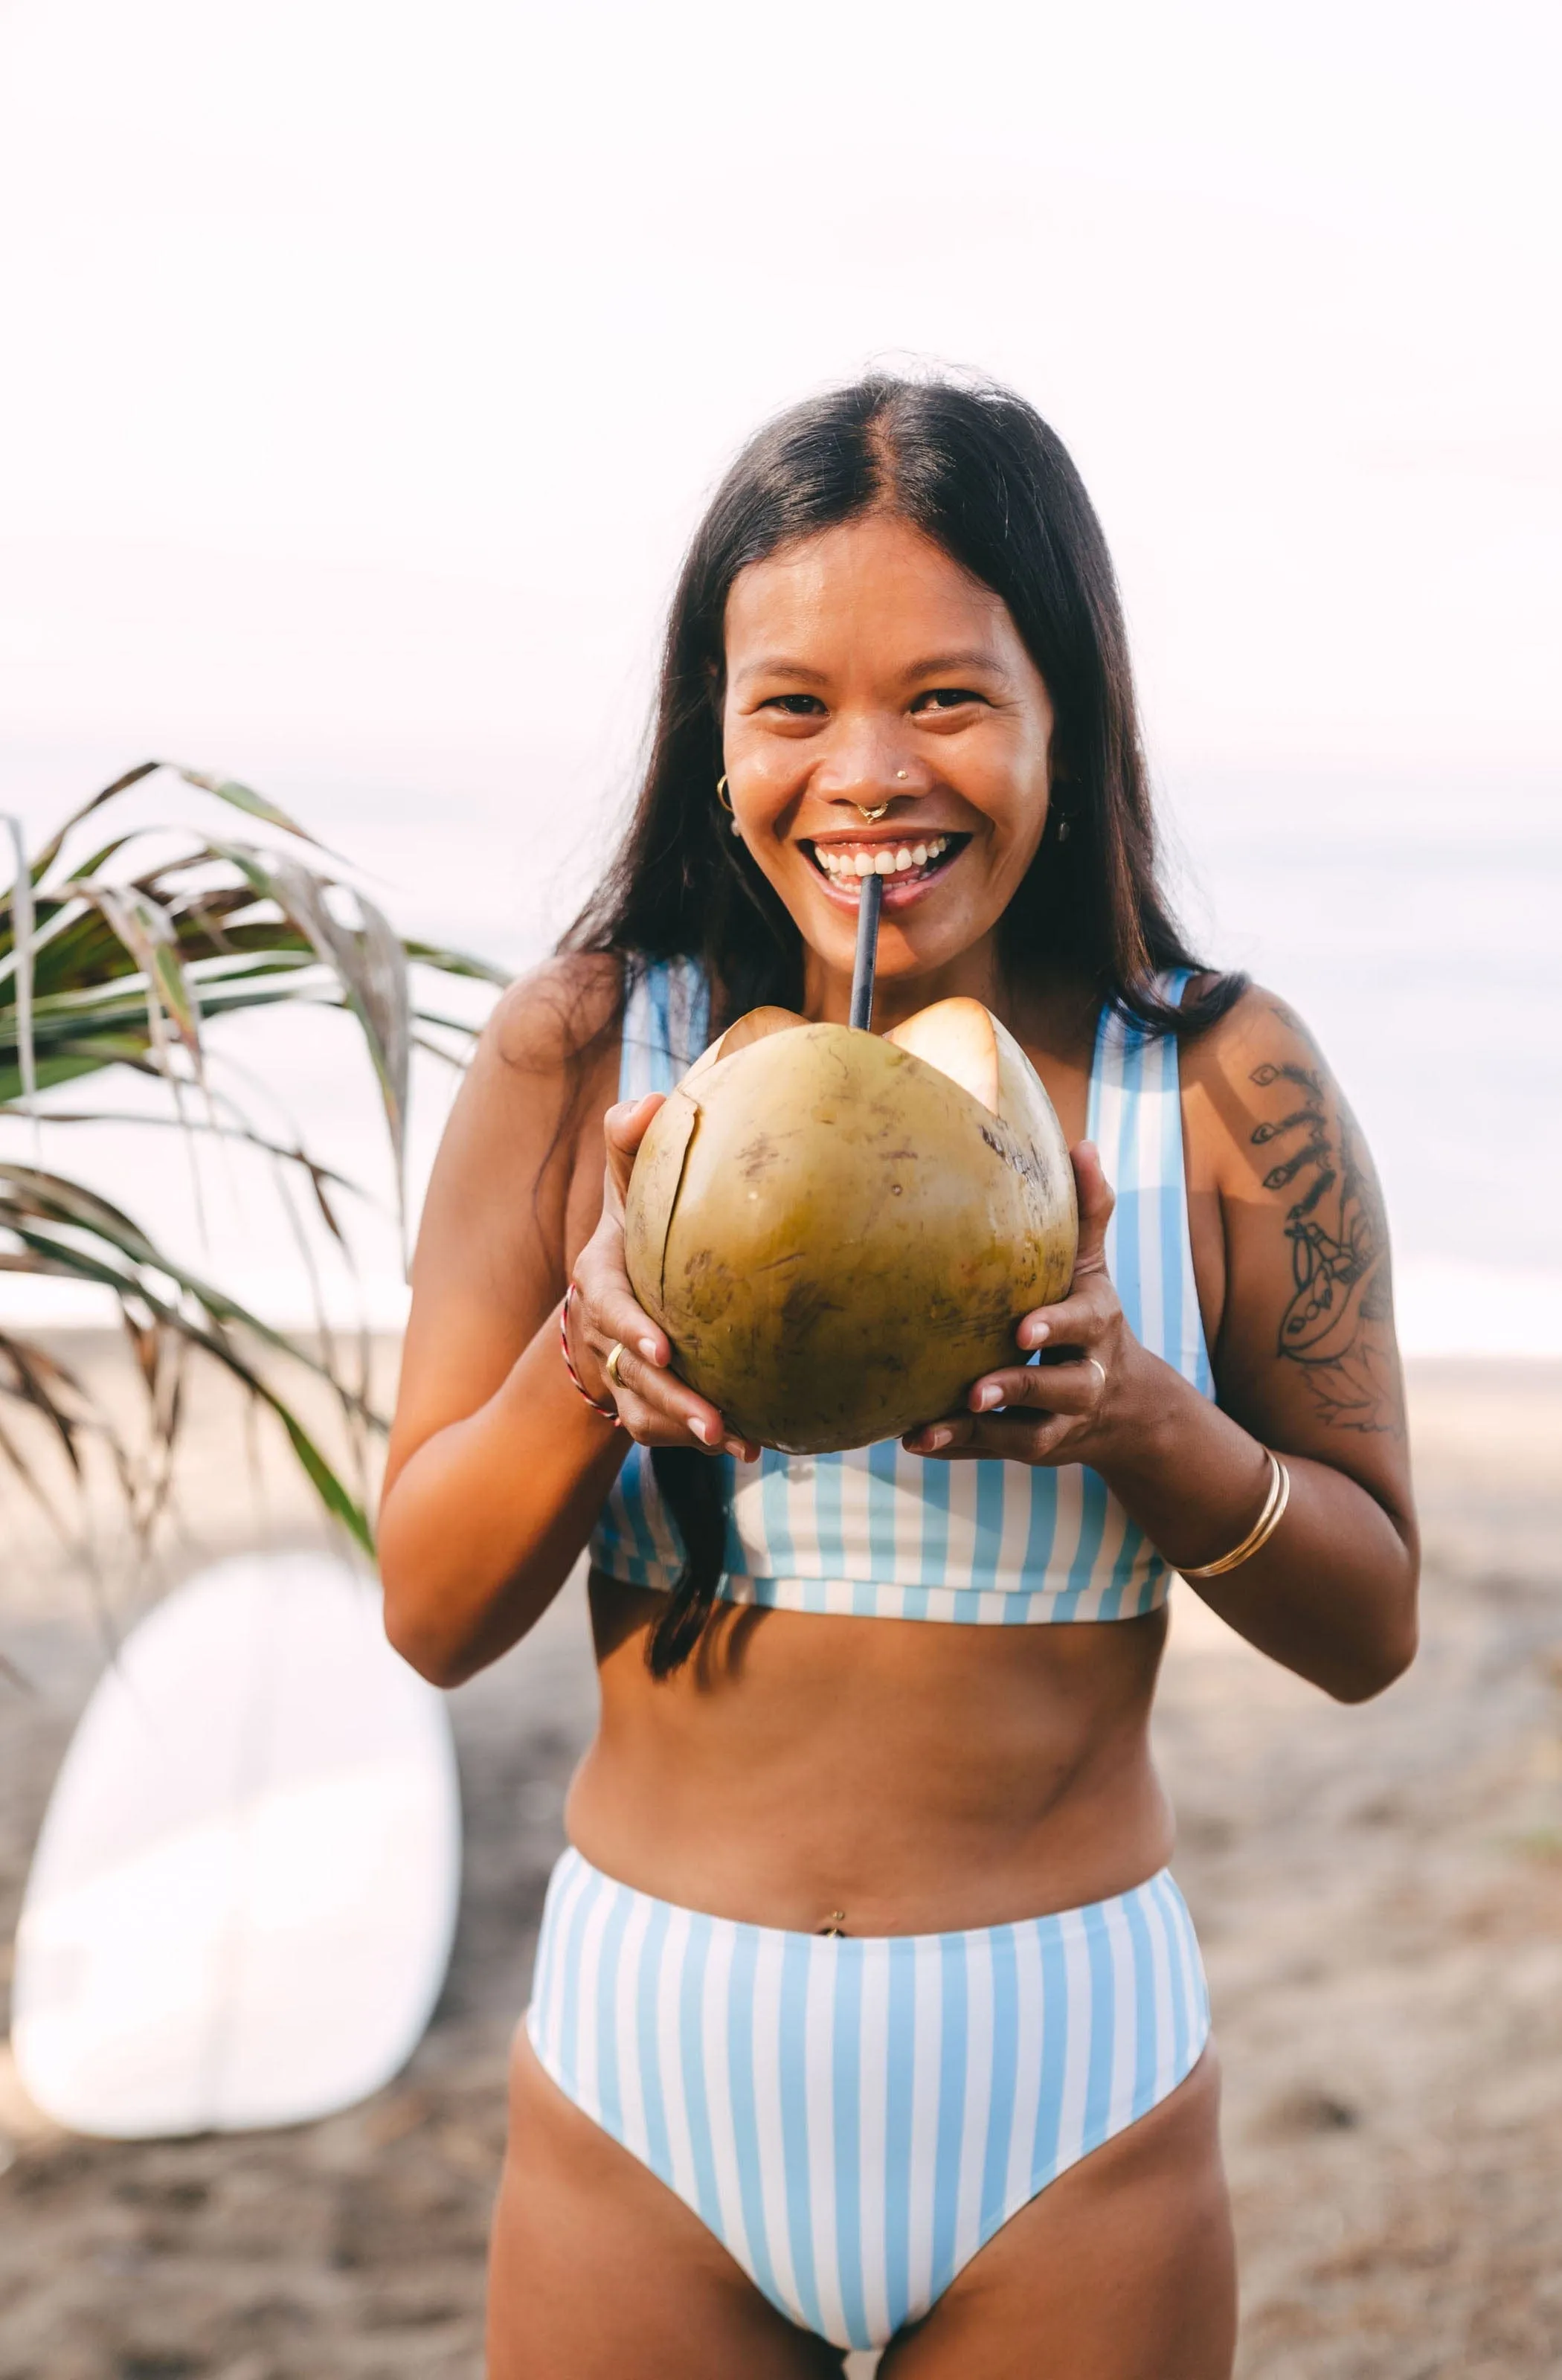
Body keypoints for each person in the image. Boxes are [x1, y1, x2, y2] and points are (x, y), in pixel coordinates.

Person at [378, 375, 1418, 2379]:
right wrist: (594, 1352)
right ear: (713, 739)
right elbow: (429, 1611)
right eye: (792, 708)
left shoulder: (1214, 1080)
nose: (865, 774)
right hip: (645, 2082)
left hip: (1065, 2095)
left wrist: (1149, 1426)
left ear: (1063, 722)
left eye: (945, 699)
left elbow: (1370, 1622)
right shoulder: (585, 1052)